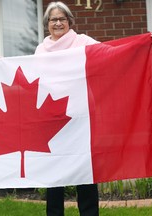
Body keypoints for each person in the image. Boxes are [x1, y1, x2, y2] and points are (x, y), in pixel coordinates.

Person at [35, 2, 99, 216]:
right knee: (55, 172)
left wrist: (138, 44)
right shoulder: (40, 49)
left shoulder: (83, 42)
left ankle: (89, 213)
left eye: (62, 18)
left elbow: (108, 53)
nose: (58, 23)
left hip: (80, 117)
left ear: (70, 21)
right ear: (47, 24)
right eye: (53, 19)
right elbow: (31, 74)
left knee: (84, 169)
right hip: (52, 119)